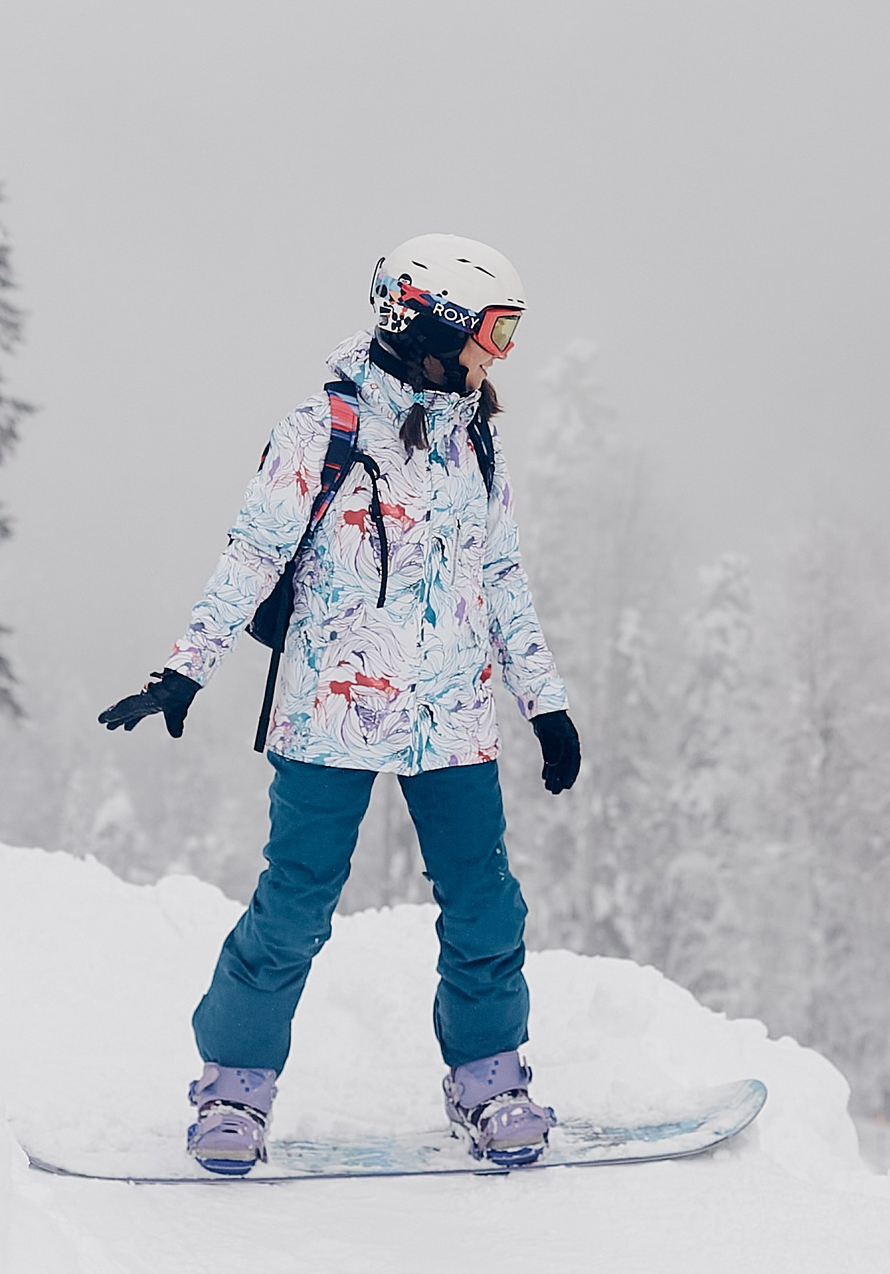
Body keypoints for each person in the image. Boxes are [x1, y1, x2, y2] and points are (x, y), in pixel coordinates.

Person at [98, 233, 582, 1174]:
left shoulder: (476, 439)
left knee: (485, 906)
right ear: (435, 322)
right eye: (498, 330)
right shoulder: (323, 429)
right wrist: (183, 669)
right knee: (296, 904)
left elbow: (502, 576)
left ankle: (489, 1079)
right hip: (332, 712)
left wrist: (545, 702)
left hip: (453, 717)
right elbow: (251, 553)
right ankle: (233, 1086)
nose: (505, 352)